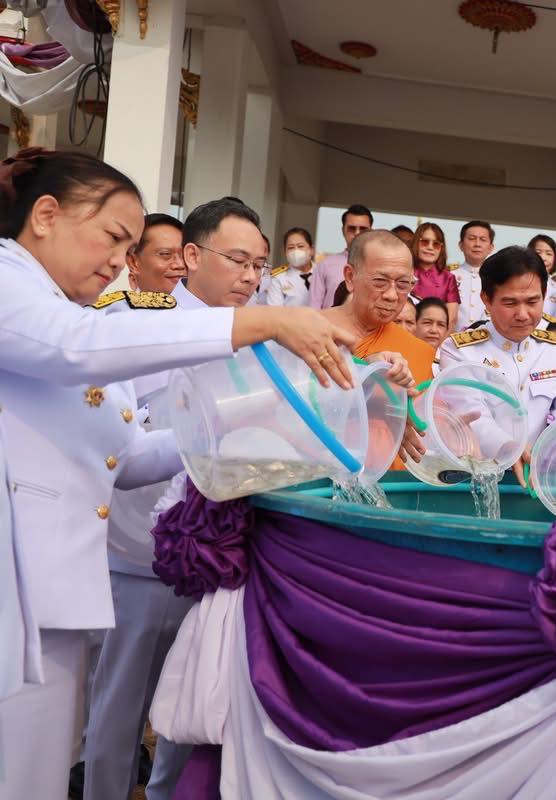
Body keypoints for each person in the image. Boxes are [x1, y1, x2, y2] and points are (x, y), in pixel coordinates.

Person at [0, 149, 358, 800]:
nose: (119, 260)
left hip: (49, 594)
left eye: (129, 245)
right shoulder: (14, 286)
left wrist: (254, 434)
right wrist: (268, 320)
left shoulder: (64, 316)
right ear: (46, 215)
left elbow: (130, 457)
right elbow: (77, 348)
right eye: (113, 238)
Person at [81, 197, 277, 800]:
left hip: (215, 560)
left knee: (193, 704)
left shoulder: (259, 338)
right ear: (192, 256)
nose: (249, 276)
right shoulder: (136, 324)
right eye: (238, 260)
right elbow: (117, 447)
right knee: (118, 708)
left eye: (259, 265)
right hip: (137, 553)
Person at [438, 246, 556, 487]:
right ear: (486, 299)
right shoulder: (459, 350)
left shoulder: (555, 350)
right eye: (510, 303)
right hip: (478, 478)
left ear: (544, 294)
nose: (523, 314)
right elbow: (473, 414)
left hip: (537, 477)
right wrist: (509, 448)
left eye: (532, 301)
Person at [322, 230, 432, 470]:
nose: (393, 295)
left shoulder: (417, 351)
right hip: (317, 473)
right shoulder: (310, 332)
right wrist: (366, 377)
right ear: (350, 277)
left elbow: (420, 425)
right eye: (380, 282)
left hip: (386, 482)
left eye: (404, 284)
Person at [309, 204, 373, 309]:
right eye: (352, 228)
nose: (357, 233)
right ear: (343, 230)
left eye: (363, 229)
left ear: (371, 231)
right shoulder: (325, 265)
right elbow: (314, 308)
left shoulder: (378, 265)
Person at [411, 222, 461, 328]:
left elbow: (451, 320)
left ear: (441, 249)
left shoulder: (448, 278)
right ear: (416, 243)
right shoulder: (404, 272)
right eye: (424, 242)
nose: (430, 247)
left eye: (436, 244)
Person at [451, 220, 495, 330]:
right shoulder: (450, 276)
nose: (477, 244)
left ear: (491, 247)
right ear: (461, 245)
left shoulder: (497, 278)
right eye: (471, 238)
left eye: (483, 239)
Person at [124, 213, 184, 294]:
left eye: (185, 255)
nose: (180, 265)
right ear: (133, 262)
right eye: (165, 254)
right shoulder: (117, 306)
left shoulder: (203, 305)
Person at [266, 226, 315, 307]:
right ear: (285, 252)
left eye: (300, 246)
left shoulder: (323, 272)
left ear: (311, 250)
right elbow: (275, 312)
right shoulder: (278, 278)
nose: (296, 251)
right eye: (291, 248)